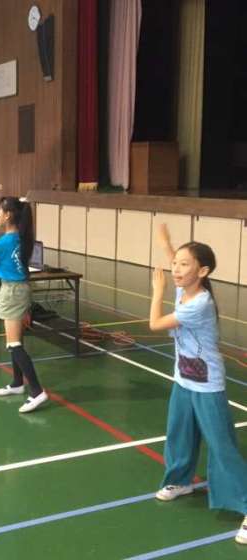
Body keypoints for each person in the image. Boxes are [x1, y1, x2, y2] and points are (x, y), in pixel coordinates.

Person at [150, 223, 247, 545]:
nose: (176, 269)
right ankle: (180, 480)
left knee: (221, 446)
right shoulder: (186, 288)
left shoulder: (199, 303)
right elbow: (176, 263)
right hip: (184, 378)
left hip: (207, 384)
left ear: (202, 271)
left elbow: (154, 323)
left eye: (184, 265)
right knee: (179, 432)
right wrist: (167, 243)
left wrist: (157, 291)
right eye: (175, 264)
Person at [0, 197, 48, 413]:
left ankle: (37, 391)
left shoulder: (1, 244)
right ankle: (18, 382)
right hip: (21, 289)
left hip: (12, 292)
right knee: (15, 341)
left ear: (8, 214)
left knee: (14, 344)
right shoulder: (22, 238)